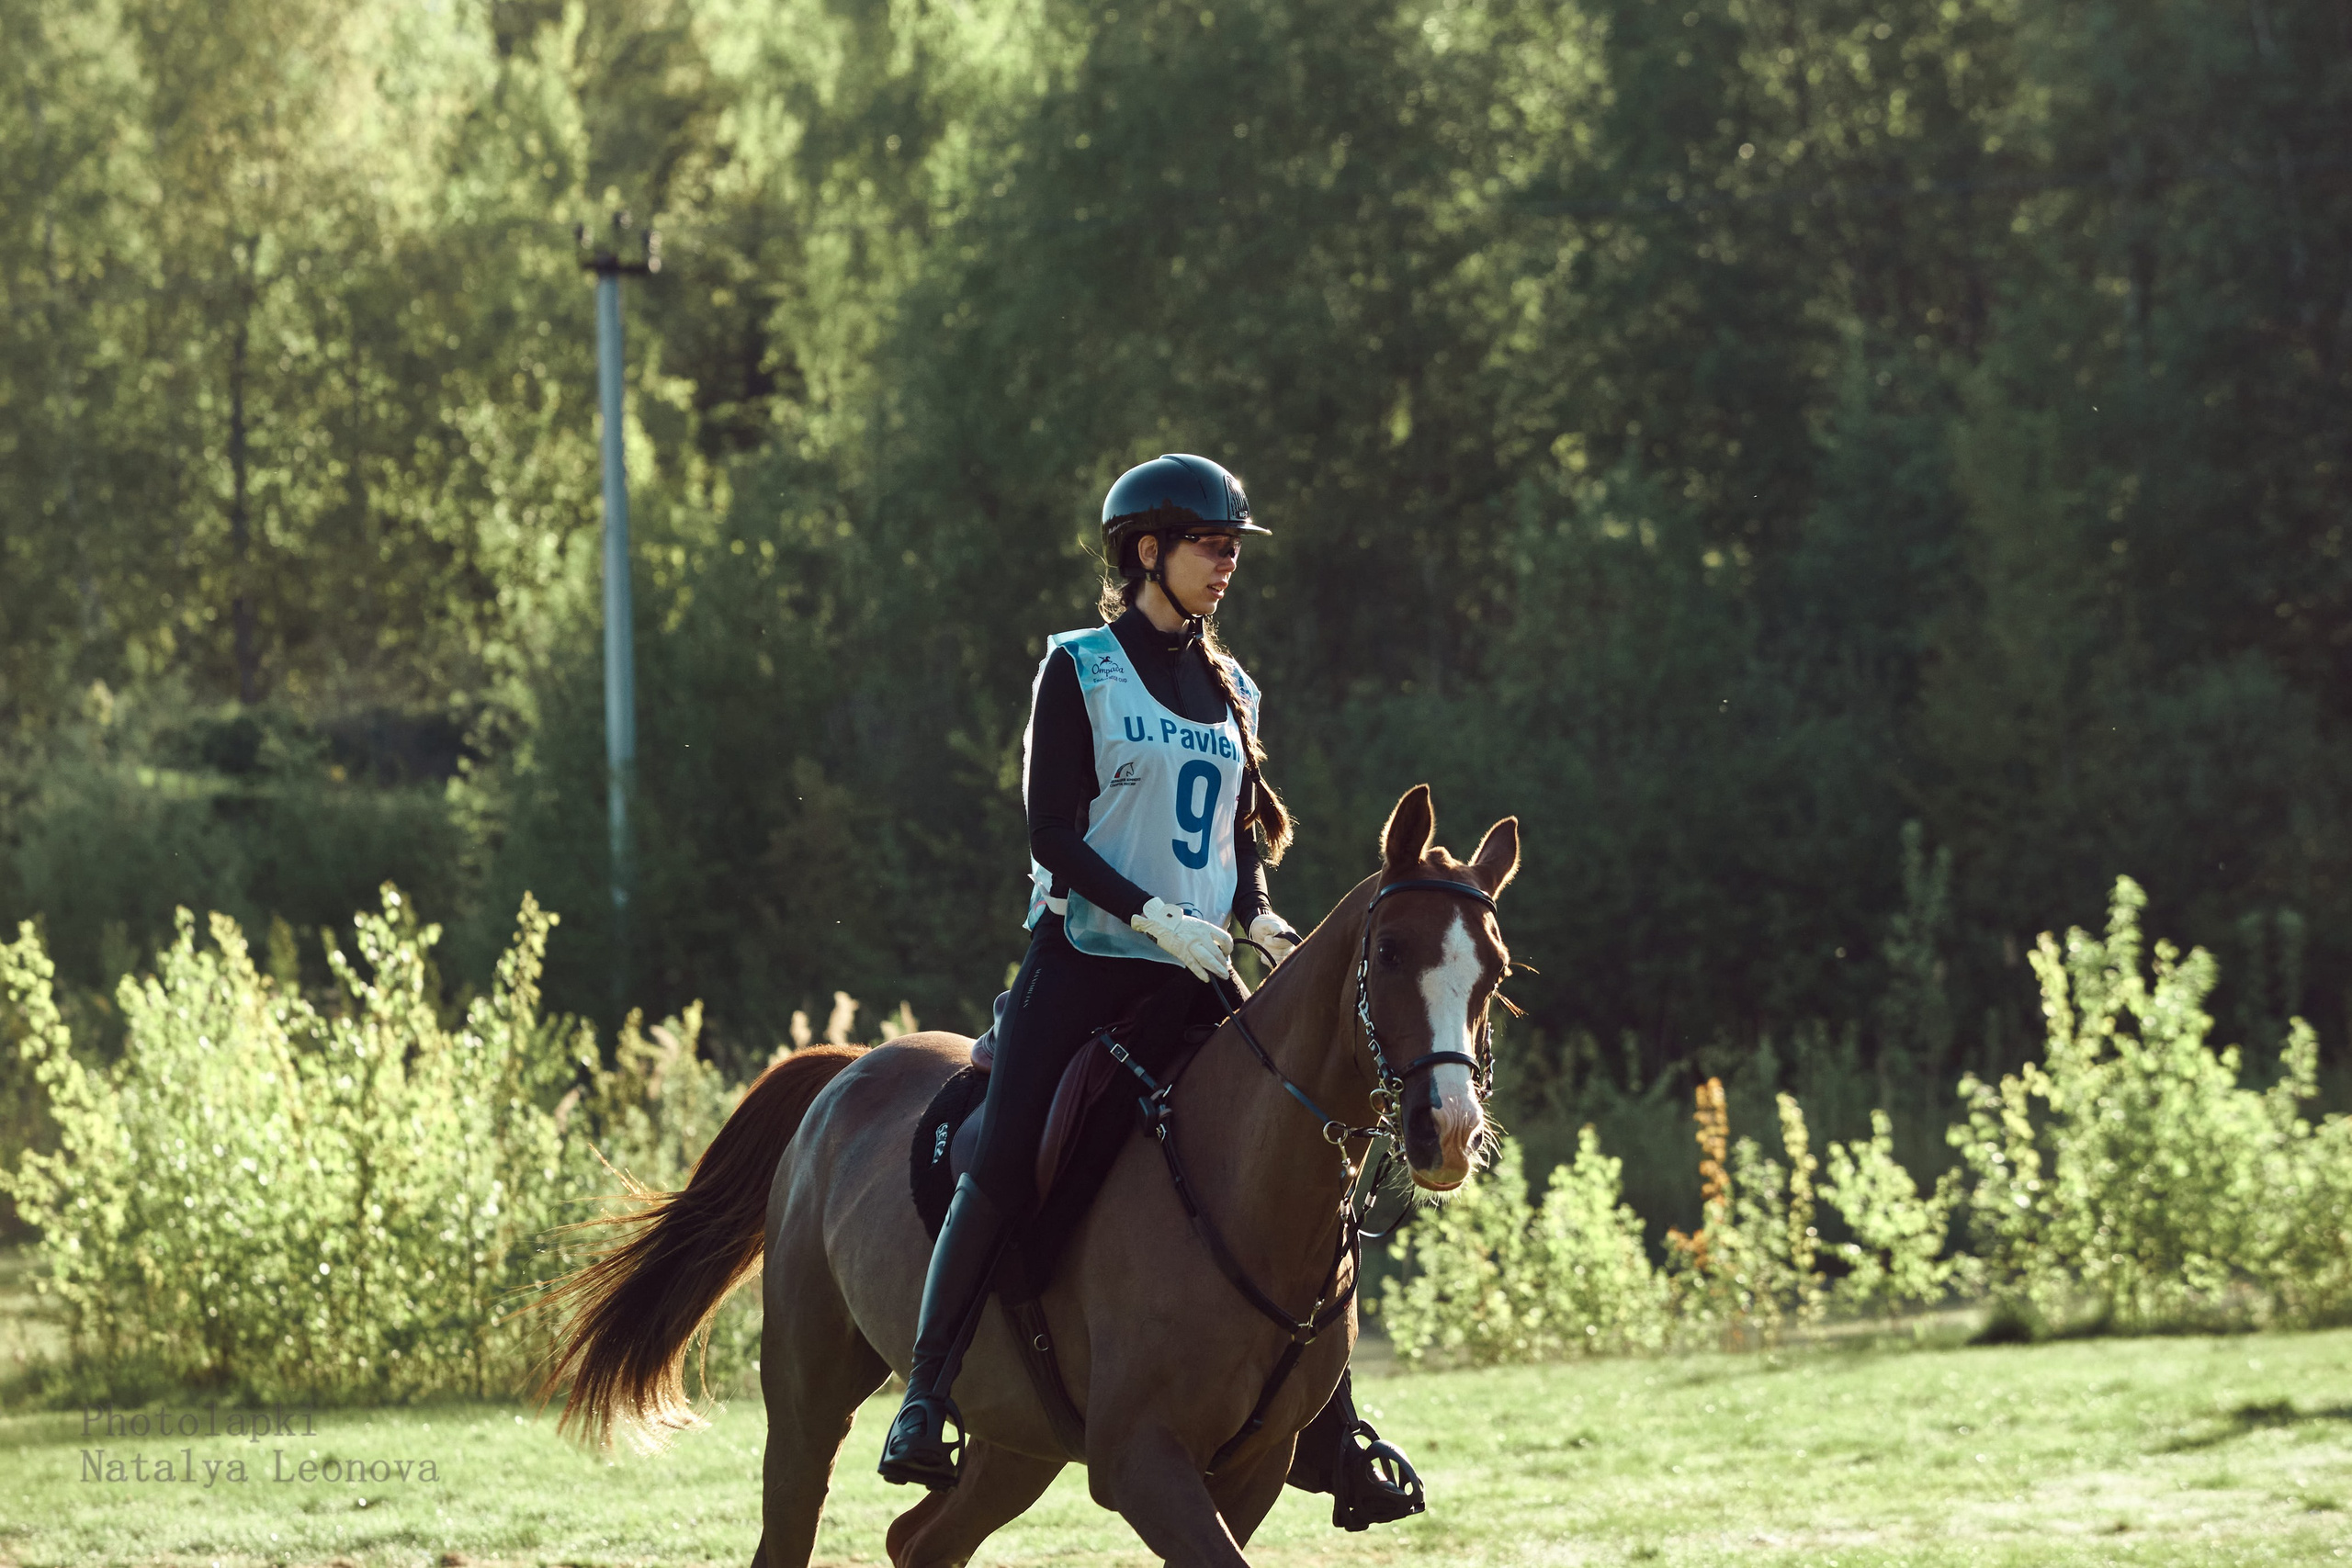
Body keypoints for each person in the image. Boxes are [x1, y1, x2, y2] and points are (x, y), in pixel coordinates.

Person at [876, 454, 1426, 1530]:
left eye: (1232, 548)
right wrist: (1147, 914)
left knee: (1306, 1145)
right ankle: (928, 1394)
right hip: (1083, 965)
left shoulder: (1234, 686)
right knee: (1002, 1152)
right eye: (1210, 544)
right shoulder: (1078, 670)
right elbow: (1048, 832)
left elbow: (1235, 835)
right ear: (1145, 552)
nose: (1228, 563)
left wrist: (1255, 912)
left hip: (1197, 976)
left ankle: (1332, 1424)